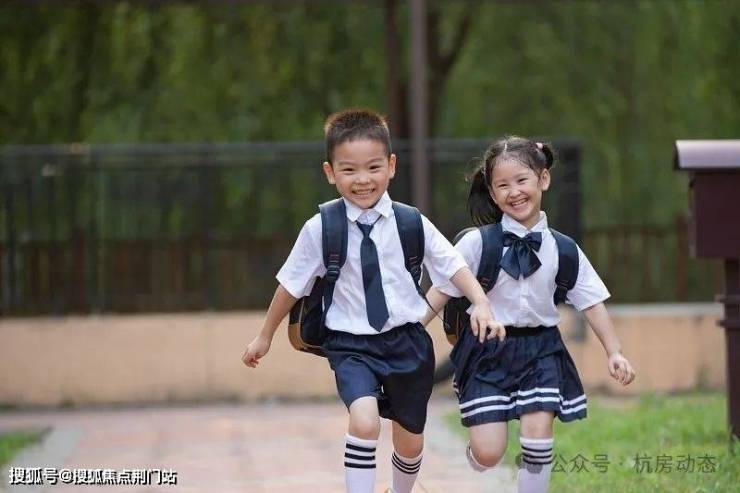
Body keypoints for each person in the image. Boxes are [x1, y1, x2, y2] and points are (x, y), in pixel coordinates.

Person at [242, 108, 505, 493]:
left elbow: (453, 266)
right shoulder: (321, 228)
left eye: (373, 167)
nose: (362, 179)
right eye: (349, 170)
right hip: (351, 346)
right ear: (330, 172)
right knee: (364, 422)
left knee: (410, 443)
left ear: (391, 166)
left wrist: (481, 302)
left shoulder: (410, 222)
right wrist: (265, 335)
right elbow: (290, 285)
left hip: (407, 344)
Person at [424, 136, 635, 493]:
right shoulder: (477, 243)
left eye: (522, 180)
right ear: (492, 194)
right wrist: (409, 332)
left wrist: (614, 351)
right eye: (503, 185)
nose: (514, 192)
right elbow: (441, 290)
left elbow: (591, 301)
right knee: (489, 453)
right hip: (487, 351)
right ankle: (480, 454)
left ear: (543, 179)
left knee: (538, 438)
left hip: (541, 351)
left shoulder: (563, 249)